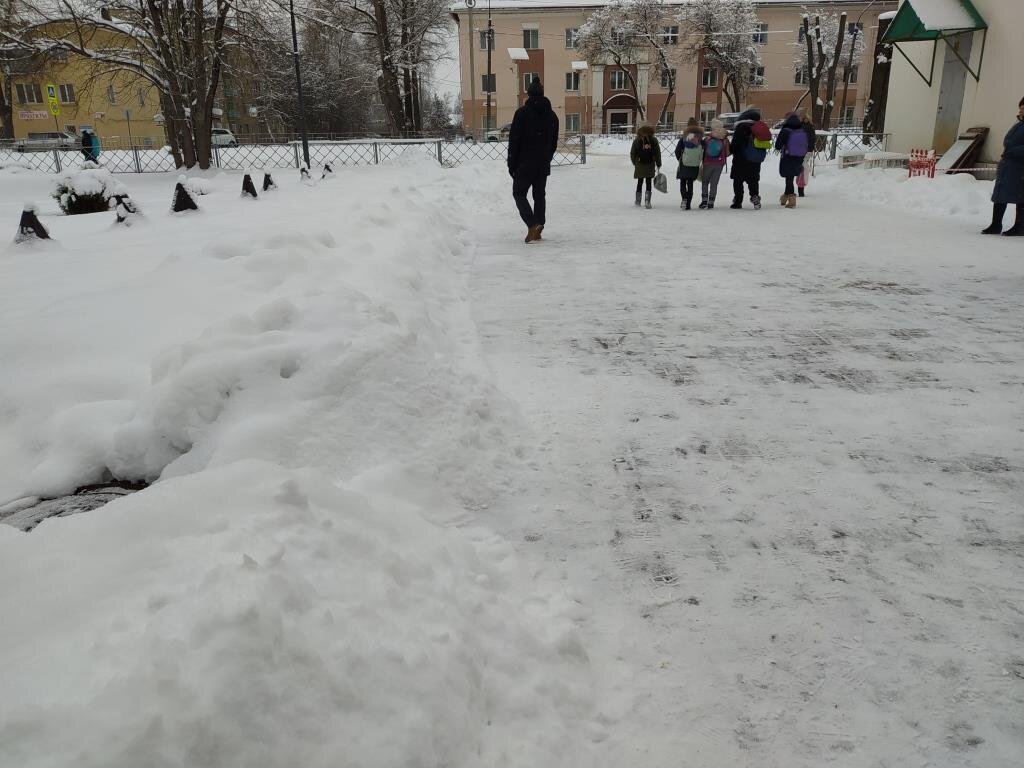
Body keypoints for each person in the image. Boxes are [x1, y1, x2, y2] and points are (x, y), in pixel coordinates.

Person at [508, 79, 559, 244]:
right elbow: (553, 142)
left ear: (528, 94)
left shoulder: (522, 113)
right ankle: (539, 226)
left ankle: (532, 224)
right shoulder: (552, 116)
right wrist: (546, 157)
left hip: (524, 163)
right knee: (539, 195)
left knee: (518, 193)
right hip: (542, 163)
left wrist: (512, 163)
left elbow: (514, 140)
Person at [982, 96, 1024, 236]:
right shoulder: (1019, 124)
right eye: (1020, 108)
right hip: (1009, 165)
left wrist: (1013, 151)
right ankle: (995, 224)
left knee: (1020, 195)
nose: (1021, 111)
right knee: (1000, 194)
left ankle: (1020, 226)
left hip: (1020, 167)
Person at [729, 107, 770, 210]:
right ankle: (755, 197)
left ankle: (738, 201)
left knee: (738, 181)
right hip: (754, 159)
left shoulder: (741, 127)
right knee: (753, 180)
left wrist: (731, 149)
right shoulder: (758, 127)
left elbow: (735, 145)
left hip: (741, 159)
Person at [775, 112, 809, 208]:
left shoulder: (785, 131)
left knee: (789, 178)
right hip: (799, 157)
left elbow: (777, 146)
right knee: (790, 177)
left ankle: (792, 200)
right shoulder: (802, 130)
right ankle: (785, 198)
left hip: (787, 157)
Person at [700, 118, 730, 209]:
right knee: (714, 183)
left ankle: (704, 201)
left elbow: (702, 150)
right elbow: (728, 153)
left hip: (707, 162)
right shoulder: (725, 140)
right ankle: (711, 202)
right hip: (719, 164)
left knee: (705, 182)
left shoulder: (707, 138)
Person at [674, 118, 703, 210]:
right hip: (694, 165)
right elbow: (703, 151)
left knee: (683, 182)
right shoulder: (700, 139)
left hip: (684, 164)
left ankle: (684, 199)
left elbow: (677, 151)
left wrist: (680, 159)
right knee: (690, 184)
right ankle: (688, 204)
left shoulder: (684, 138)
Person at [630, 124, 662, 209]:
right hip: (650, 163)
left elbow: (632, 152)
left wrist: (635, 162)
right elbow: (657, 153)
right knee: (648, 182)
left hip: (639, 163)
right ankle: (647, 201)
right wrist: (658, 163)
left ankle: (637, 201)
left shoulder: (637, 140)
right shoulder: (654, 140)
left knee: (640, 182)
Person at [797, 115, 816, 197]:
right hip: (800, 150)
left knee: (802, 168)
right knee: (800, 168)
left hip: (806, 150)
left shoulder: (810, 127)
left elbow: (813, 139)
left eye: (806, 118)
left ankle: (801, 190)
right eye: (804, 118)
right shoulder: (800, 126)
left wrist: (810, 149)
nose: (805, 120)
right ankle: (800, 188)